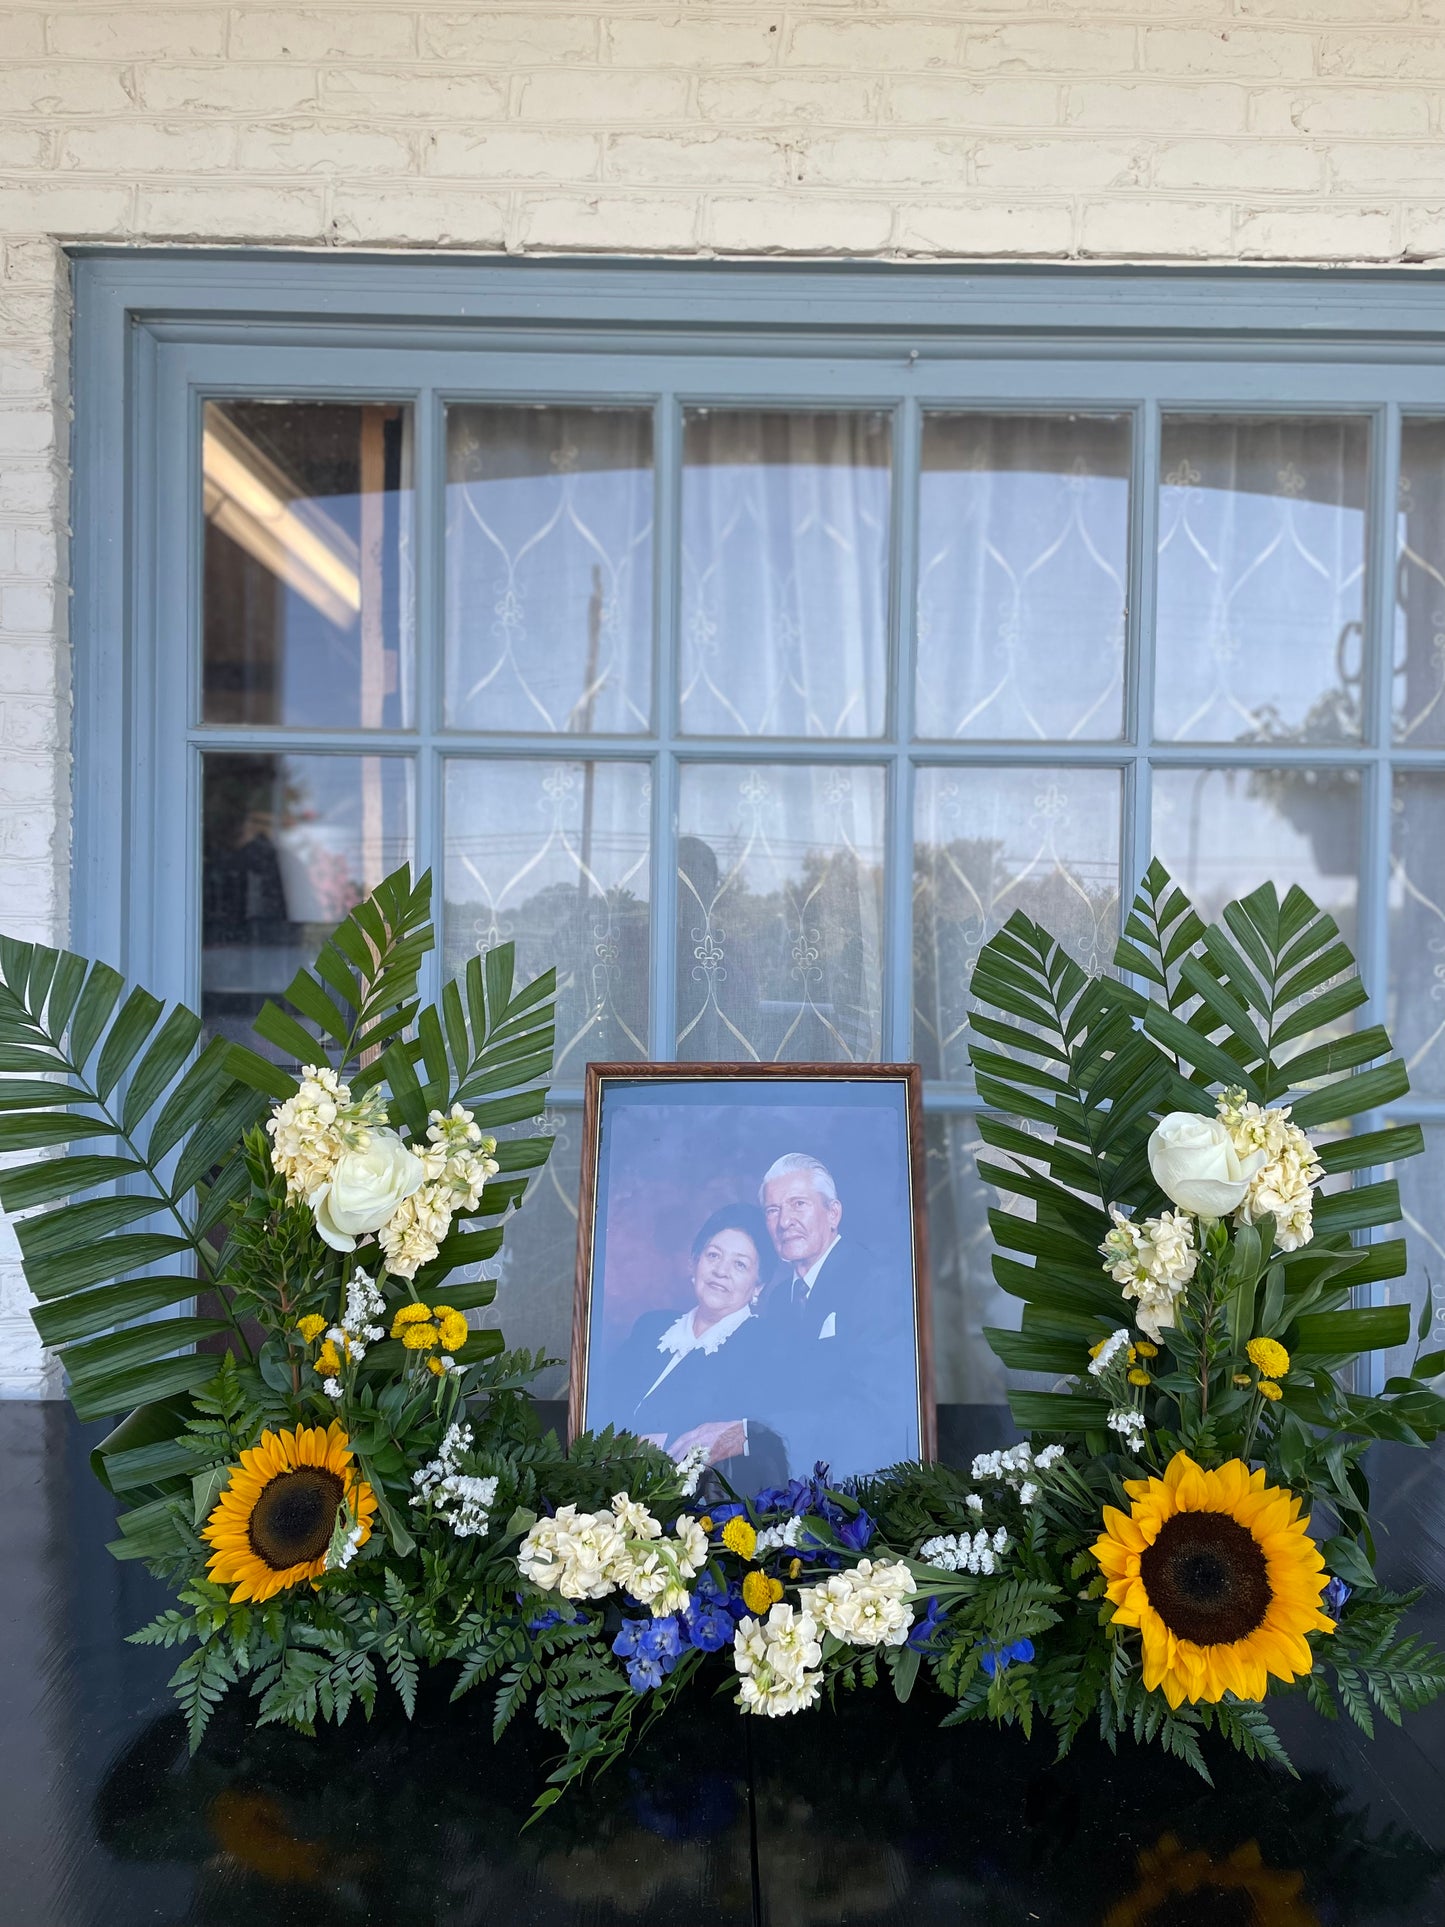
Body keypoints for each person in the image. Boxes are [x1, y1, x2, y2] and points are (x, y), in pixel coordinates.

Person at [601, 1202, 788, 1493]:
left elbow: (738, 1434)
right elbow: (601, 1402)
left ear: (758, 1286)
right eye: (713, 1255)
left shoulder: (766, 1345)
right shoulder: (652, 1327)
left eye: (740, 1264)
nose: (721, 1271)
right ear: (694, 1262)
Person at [757, 1151, 920, 1479]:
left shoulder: (875, 1281)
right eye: (773, 1209)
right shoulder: (777, 1300)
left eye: (798, 1204)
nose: (784, 1221)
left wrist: (753, 1433)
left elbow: (877, 1408)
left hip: (863, 1483)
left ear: (833, 1213)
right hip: (794, 1480)